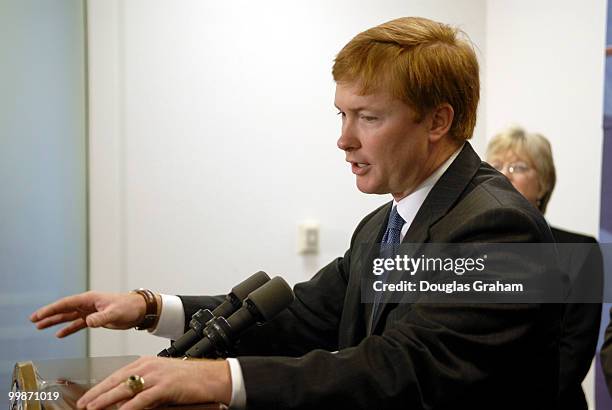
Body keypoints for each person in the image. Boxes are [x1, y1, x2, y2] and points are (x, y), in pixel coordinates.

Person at [30, 17, 562, 410]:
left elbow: (406, 369)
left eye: (368, 117)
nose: (343, 139)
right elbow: (299, 317)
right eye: (342, 114)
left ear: (438, 121)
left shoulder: (496, 229)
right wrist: (149, 307)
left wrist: (219, 381)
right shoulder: (385, 224)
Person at [486, 126, 603, 410]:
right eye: (496, 166)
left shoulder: (580, 251)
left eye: (518, 166)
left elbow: (574, 350)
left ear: (543, 183)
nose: (504, 174)